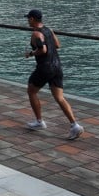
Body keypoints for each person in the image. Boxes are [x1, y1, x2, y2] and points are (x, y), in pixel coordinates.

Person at [23, 8, 84, 140]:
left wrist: (31, 54)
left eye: (28, 18)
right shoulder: (49, 30)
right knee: (59, 97)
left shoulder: (36, 34)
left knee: (31, 91)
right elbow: (57, 45)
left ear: (33, 19)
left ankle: (39, 122)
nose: (27, 20)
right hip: (57, 67)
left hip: (45, 68)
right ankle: (75, 125)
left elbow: (43, 50)